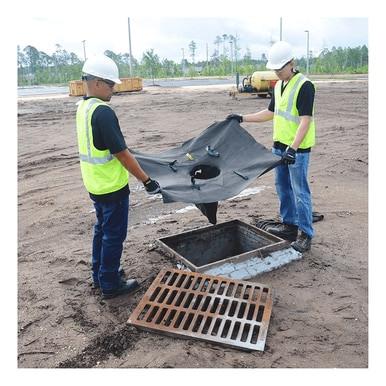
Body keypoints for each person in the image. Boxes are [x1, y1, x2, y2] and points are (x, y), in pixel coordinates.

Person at [76, 54, 161, 299]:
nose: (113, 89)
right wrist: (146, 181)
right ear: (98, 82)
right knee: (113, 236)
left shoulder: (83, 107)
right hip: (112, 187)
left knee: (101, 230)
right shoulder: (103, 112)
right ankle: (111, 283)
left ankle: (99, 274)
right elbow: (121, 154)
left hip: (95, 184)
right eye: (111, 84)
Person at [226, 41, 315, 253]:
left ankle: (305, 234)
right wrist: (242, 117)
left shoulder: (305, 86)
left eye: (280, 68)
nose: (277, 72)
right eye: (275, 69)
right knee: (283, 187)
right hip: (279, 147)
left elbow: (305, 120)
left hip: (297, 150)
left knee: (300, 191)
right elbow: (270, 112)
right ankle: (289, 225)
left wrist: (293, 148)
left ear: (291, 63)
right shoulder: (279, 86)